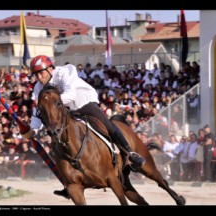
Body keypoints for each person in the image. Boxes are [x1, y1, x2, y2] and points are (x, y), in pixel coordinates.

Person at [18, 55, 146, 199]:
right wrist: (33, 129)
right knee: (58, 143)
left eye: (41, 73)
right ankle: (69, 182)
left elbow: (71, 96)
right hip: (67, 113)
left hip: (83, 103)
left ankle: (130, 154)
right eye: (36, 74)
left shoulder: (63, 73)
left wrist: (51, 103)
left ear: (50, 69)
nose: (39, 77)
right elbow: (39, 110)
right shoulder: (38, 88)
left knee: (108, 126)